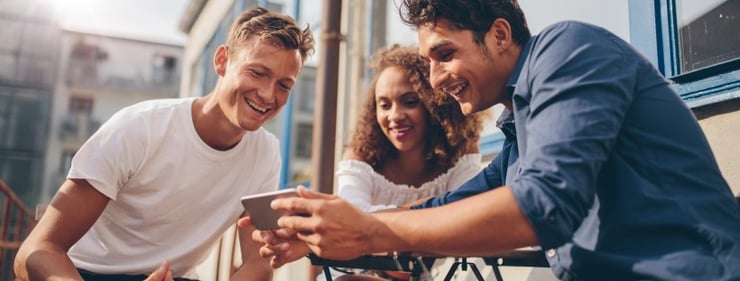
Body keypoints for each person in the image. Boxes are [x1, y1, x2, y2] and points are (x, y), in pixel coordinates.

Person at [248, 0, 740, 280]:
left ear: (500, 35)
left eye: (445, 54)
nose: (436, 78)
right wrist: (326, 237)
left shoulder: (569, 48)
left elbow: (543, 206)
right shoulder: (521, 126)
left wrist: (371, 232)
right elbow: (439, 211)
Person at [14, 7, 313, 281]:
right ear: (222, 61)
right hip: (86, 274)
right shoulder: (140, 128)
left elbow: (258, 264)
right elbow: (36, 251)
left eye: (283, 85)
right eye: (257, 72)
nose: (267, 94)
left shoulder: (265, 153)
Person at [318, 45, 486, 280]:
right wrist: (435, 217)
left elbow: (467, 219)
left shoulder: (462, 150)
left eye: (409, 101)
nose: (395, 116)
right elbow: (352, 220)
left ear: (433, 104)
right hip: (359, 271)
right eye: (384, 105)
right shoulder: (360, 155)